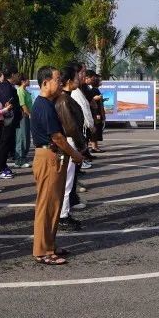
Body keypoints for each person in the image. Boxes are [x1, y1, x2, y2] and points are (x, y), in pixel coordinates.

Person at [31, 65, 83, 265]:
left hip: (53, 156)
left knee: (54, 204)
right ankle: (42, 250)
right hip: (48, 157)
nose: (60, 83)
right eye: (57, 79)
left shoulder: (48, 103)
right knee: (47, 206)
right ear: (45, 83)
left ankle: (50, 245)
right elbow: (58, 137)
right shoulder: (43, 106)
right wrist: (75, 154)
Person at [58, 66, 89, 230]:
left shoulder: (66, 98)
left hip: (71, 142)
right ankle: (63, 216)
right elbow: (71, 127)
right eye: (77, 77)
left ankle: (64, 213)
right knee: (67, 182)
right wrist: (82, 146)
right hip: (69, 142)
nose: (79, 79)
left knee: (69, 181)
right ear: (69, 81)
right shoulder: (64, 100)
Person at [0, 69, 23, 179]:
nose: (18, 77)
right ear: (12, 74)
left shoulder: (9, 86)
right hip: (7, 121)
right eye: (17, 74)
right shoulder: (6, 87)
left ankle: (3, 165)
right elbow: (8, 104)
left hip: (10, 121)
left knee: (7, 145)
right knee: (4, 145)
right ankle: (0, 168)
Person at [14, 76, 33, 169]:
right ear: (23, 81)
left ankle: (23, 158)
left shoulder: (25, 90)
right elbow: (23, 104)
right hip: (23, 117)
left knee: (26, 138)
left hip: (26, 117)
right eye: (27, 79)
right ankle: (19, 160)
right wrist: (29, 114)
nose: (29, 81)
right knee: (22, 138)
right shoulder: (20, 91)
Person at [85, 72, 105, 154]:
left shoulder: (95, 89)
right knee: (95, 130)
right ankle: (94, 147)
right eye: (99, 80)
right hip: (95, 113)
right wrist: (97, 114)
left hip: (97, 112)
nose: (101, 82)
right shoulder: (93, 90)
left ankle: (95, 147)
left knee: (97, 130)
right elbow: (91, 101)